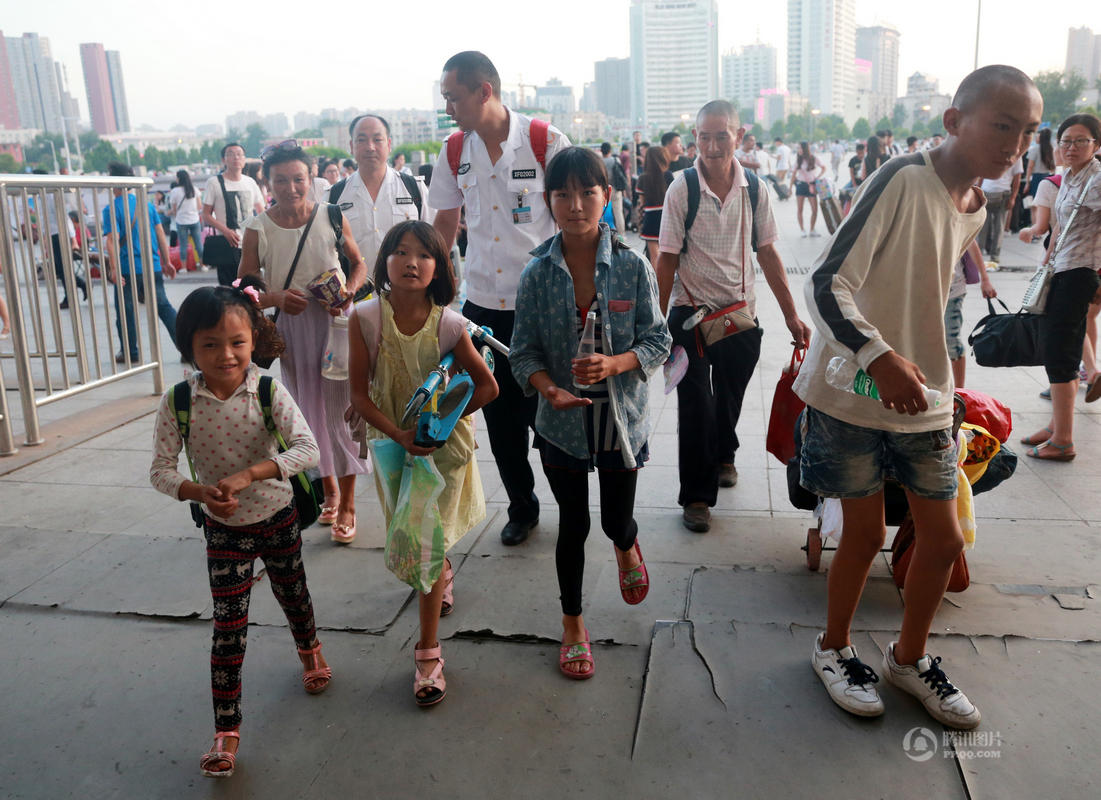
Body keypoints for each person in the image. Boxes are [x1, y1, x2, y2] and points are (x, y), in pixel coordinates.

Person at [795, 64, 1043, 729]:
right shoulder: (902, 178)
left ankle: (908, 660)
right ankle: (833, 647)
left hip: (925, 396)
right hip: (853, 390)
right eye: (1001, 125)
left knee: (941, 537)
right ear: (953, 120)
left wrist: (933, 376)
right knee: (863, 532)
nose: (1013, 145)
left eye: (1025, 132)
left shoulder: (975, 207)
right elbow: (826, 282)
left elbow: (927, 295)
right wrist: (880, 356)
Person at [150, 277, 330, 778]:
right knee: (227, 631)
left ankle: (309, 648)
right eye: (209, 345)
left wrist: (253, 472)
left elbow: (308, 450)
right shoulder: (178, 403)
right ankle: (226, 731)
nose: (225, 355)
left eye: (236, 342)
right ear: (189, 346)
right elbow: (161, 471)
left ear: (253, 339)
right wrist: (198, 491)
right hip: (223, 532)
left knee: (293, 592)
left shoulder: (269, 390)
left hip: (278, 518)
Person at [510, 147, 670, 678]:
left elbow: (658, 340)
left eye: (587, 192)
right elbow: (523, 352)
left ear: (607, 195)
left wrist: (617, 362)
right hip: (561, 423)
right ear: (549, 200)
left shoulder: (631, 263)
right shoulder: (536, 273)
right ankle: (574, 625)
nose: (575, 204)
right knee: (573, 525)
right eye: (562, 194)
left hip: (621, 421)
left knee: (615, 520)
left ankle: (627, 545)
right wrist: (546, 389)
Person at [348, 220, 497, 705]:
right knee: (414, 536)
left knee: (425, 547)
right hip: (394, 447)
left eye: (424, 255)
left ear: (439, 268)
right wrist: (399, 435)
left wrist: (442, 422)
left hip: (441, 453)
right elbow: (358, 395)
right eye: (401, 251)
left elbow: (488, 387)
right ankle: (442, 571)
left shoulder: (450, 324)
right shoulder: (365, 318)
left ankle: (428, 653)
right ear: (385, 261)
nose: (412, 261)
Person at [429, 50, 570, 546]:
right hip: (482, 309)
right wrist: (430, 293)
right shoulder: (452, 152)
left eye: (454, 96)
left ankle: (570, 506)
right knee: (499, 417)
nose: (448, 106)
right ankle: (522, 507)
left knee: (548, 414)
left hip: (542, 306)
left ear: (484, 91)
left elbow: (576, 221)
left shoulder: (544, 142)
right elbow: (443, 226)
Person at [655, 100, 810, 533]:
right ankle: (697, 498)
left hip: (740, 317)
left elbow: (769, 253)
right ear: (694, 140)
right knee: (696, 405)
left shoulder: (755, 188)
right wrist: (654, 323)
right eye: (704, 136)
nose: (712, 145)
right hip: (688, 317)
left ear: (738, 137)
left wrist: (792, 316)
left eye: (721, 135)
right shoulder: (680, 189)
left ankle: (725, 453)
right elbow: (666, 260)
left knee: (729, 397)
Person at [237, 142, 370, 543]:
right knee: (307, 416)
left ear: (311, 178)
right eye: (281, 180)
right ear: (267, 183)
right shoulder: (257, 229)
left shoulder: (330, 215)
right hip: (291, 332)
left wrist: (350, 291)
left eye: (299, 179)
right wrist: (275, 298)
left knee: (341, 413)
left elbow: (360, 264)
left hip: (337, 325)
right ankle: (327, 489)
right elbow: (243, 288)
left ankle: (347, 503)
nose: (292, 188)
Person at [1020, 113, 1101, 458]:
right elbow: (1058, 227)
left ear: (1096, 144)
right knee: (1056, 348)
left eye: (1080, 141)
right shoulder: (1069, 176)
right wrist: (1046, 263)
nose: (1071, 147)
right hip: (1062, 271)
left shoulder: (1097, 180)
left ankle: (1063, 440)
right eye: (1066, 141)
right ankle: (1056, 426)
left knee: (1062, 352)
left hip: (1081, 273)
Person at [333, 114, 429, 279]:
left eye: (377, 140)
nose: (370, 147)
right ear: (351, 146)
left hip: (407, 294)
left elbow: (434, 241)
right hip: (356, 296)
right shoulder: (334, 196)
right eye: (361, 140)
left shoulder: (414, 189)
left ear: (389, 144)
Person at [102, 162, 178, 363]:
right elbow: (161, 233)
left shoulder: (111, 209)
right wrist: (167, 261)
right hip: (152, 265)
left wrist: (113, 269)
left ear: (114, 182)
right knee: (163, 306)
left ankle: (130, 352)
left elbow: (112, 240)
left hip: (127, 269)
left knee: (126, 311)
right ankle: (186, 347)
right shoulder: (147, 205)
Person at [202, 143, 266, 285]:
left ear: (244, 159)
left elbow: (261, 211)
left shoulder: (250, 182)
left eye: (239, 154)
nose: (236, 157)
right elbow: (205, 214)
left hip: (250, 243)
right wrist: (225, 231)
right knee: (228, 289)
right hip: (227, 244)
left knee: (251, 287)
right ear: (224, 160)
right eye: (230, 154)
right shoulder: (214, 182)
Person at [945, 240, 997, 387]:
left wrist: (985, 279)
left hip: (952, 290)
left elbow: (971, 243)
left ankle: (960, 392)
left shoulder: (955, 217)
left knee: (951, 339)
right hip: (924, 290)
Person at [977, 155, 1023, 265]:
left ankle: (993, 256)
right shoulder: (1015, 154)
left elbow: (1017, 178)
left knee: (998, 226)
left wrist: (1012, 198)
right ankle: (983, 255)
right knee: (986, 227)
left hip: (1002, 194)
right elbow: (982, 175)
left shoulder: (1017, 155)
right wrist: (977, 191)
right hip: (988, 192)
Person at [638, 144, 672, 264]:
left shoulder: (642, 178)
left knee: (654, 255)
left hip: (650, 218)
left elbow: (641, 204)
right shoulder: (668, 175)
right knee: (668, 254)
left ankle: (655, 282)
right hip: (667, 217)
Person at [170, 169, 204, 271]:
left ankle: (184, 268)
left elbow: (174, 208)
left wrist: (178, 216)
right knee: (198, 243)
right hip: (194, 219)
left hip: (181, 221)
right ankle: (203, 265)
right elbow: (199, 206)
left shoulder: (175, 191)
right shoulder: (195, 189)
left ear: (179, 178)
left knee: (183, 245)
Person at [791, 141, 826, 237]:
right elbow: (793, 174)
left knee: (814, 209)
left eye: (800, 148)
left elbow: (824, 167)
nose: (798, 150)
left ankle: (812, 229)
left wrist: (817, 177)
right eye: (798, 148)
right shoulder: (798, 160)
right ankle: (802, 229)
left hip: (812, 185)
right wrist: (790, 188)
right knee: (800, 209)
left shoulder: (814, 158)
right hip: (801, 185)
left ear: (805, 149)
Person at [601, 141, 627, 232]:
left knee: (602, 212)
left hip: (603, 190)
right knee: (618, 212)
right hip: (616, 189)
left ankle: (603, 232)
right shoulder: (616, 160)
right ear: (610, 150)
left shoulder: (599, 162)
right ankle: (621, 235)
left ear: (601, 150)